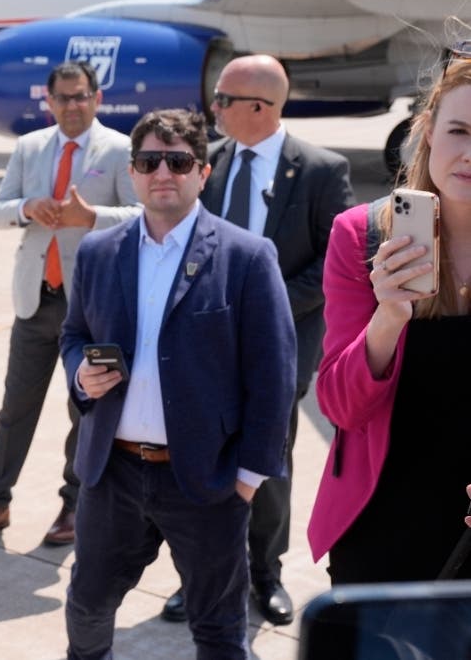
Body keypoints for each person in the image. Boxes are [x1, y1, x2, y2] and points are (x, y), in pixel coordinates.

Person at [61, 108, 296, 660]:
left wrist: (248, 478)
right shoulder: (98, 251)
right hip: (112, 473)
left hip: (206, 479)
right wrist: (80, 372)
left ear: (202, 172)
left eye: (178, 160)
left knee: (217, 629)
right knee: (88, 607)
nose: (162, 171)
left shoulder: (247, 257)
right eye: (148, 161)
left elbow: (274, 376)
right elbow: (73, 334)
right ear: (134, 171)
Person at [161, 54, 355, 625]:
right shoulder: (207, 164)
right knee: (197, 462)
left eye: (222, 100)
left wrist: (262, 303)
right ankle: (198, 576)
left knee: (267, 464)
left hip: (279, 344)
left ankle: (265, 574)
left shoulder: (319, 169)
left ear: (260, 108)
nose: (212, 108)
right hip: (205, 343)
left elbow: (336, 262)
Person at [307, 51, 471, 584]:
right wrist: (389, 317)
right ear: (427, 132)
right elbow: (339, 405)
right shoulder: (362, 235)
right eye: (459, 130)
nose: (469, 154)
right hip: (383, 520)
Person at [0, 61, 138, 546]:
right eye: (62, 98)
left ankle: (73, 505)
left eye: (80, 96)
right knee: (15, 408)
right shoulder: (30, 147)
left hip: (91, 309)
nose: (72, 106)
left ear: (97, 99)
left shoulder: (120, 149)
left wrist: (92, 215)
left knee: (85, 409)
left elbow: (141, 217)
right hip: (36, 300)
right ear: (49, 101)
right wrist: (25, 209)